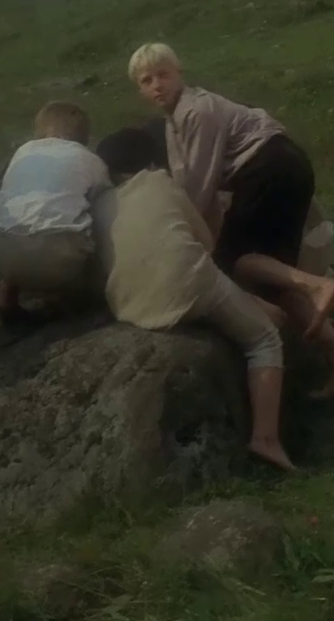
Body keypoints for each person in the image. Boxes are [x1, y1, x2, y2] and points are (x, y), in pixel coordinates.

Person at [127, 42, 334, 400]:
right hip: (283, 167)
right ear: (140, 90)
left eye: (163, 74)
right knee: (270, 275)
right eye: (147, 80)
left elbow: (198, 190)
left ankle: (312, 288)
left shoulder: (197, 111)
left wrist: (177, 242)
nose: (157, 85)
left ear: (180, 73)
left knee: (235, 262)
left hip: (268, 167)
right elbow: (196, 190)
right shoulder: (174, 122)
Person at [92, 128, 295, 471]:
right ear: (151, 159)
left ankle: (247, 304)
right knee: (264, 339)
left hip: (130, 302)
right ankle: (266, 438)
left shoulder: (100, 204)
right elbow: (205, 242)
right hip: (191, 283)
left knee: (214, 289)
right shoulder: (159, 182)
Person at [0, 101, 110, 325]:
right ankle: (64, 293)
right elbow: (102, 198)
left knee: (21, 224)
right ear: (84, 136)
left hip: (0, 250)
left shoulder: (23, 152)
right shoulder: (89, 158)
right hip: (57, 254)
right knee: (92, 213)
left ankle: (6, 295)